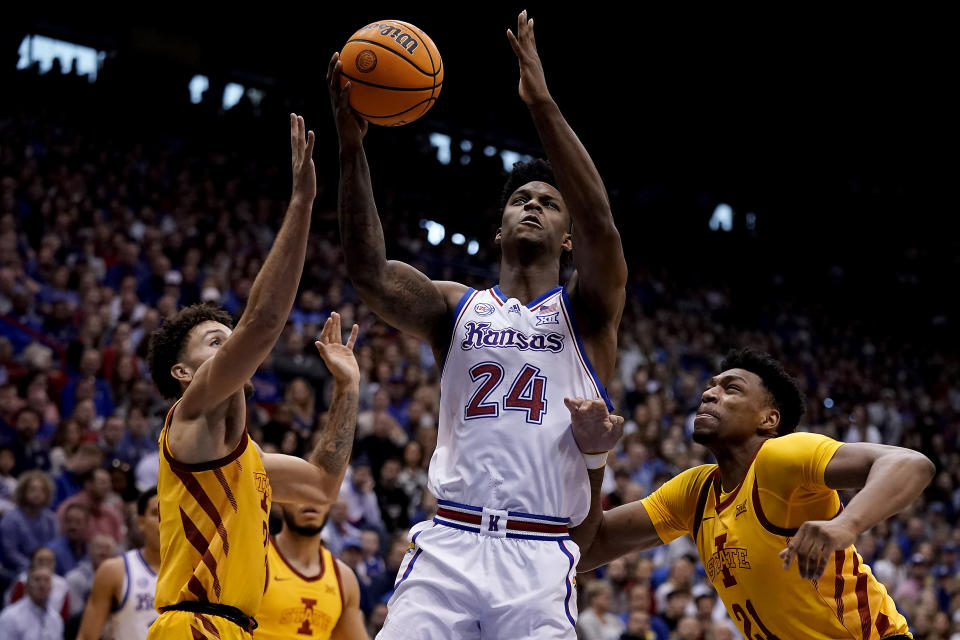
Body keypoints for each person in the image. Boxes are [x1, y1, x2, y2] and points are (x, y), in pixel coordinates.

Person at [329, 11, 627, 637]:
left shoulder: (589, 311)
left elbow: (600, 219)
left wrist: (541, 104)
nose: (533, 207)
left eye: (549, 204)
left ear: (567, 239)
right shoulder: (454, 306)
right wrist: (353, 148)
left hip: (541, 552)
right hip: (451, 544)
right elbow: (369, 273)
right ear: (498, 228)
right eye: (522, 200)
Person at [144, 115, 360, 639]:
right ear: (184, 372)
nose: (231, 347)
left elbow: (322, 486)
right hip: (194, 625)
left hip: (236, 629)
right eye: (216, 342)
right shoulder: (189, 418)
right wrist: (302, 204)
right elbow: (262, 322)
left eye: (228, 338)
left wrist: (347, 389)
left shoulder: (250, 462)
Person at [576, 349, 936, 639]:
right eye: (712, 386)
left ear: (769, 420)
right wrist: (594, 460)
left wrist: (847, 524)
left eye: (731, 389)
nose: (709, 393)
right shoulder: (694, 491)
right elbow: (584, 550)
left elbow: (911, 463)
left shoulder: (780, 458)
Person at [254, 502, 367, 640]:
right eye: (302, 495)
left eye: (319, 497)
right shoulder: (256, 561)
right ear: (278, 504)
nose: (311, 502)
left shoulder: (344, 578)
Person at [76, 487, 161, 640]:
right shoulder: (114, 570)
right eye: (156, 513)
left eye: (170, 511)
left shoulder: (197, 571)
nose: (164, 520)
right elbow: (87, 636)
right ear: (141, 522)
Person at [0, 564, 63, 640]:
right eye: (37, 580)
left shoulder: (56, 619)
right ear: (26, 586)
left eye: (46, 580)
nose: (42, 585)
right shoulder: (10, 617)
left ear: (51, 586)